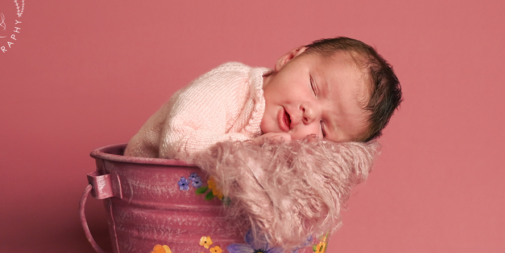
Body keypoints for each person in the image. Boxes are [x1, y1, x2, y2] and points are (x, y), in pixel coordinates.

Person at [125, 37, 401, 161]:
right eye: (314, 88)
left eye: (324, 128)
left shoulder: (282, 143)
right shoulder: (231, 86)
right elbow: (176, 142)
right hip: (146, 183)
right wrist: (250, 146)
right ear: (290, 58)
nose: (309, 114)